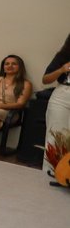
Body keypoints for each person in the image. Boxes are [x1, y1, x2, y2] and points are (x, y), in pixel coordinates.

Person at [41, 33, 70, 178]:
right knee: (54, 136)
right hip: (62, 94)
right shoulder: (63, 56)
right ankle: (50, 173)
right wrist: (62, 70)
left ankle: (66, 176)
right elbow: (45, 79)